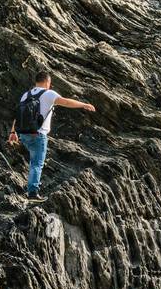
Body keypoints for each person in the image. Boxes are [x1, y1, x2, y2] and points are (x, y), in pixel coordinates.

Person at [7, 71, 96, 201]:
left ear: (36, 82)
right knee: (36, 164)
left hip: (23, 134)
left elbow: (18, 115)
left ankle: (32, 186)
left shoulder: (26, 95)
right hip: (38, 135)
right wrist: (84, 104)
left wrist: (12, 132)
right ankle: (33, 193)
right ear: (47, 82)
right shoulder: (49, 94)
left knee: (33, 162)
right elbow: (65, 102)